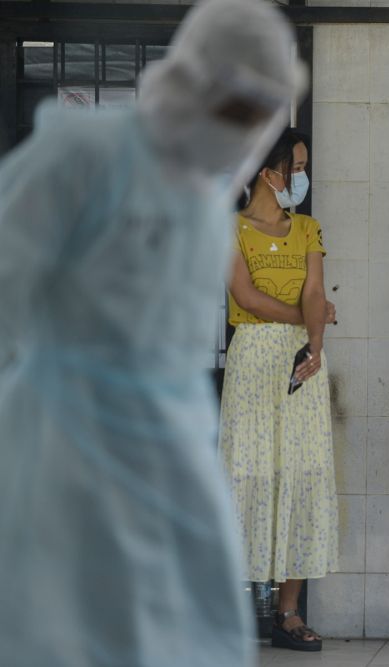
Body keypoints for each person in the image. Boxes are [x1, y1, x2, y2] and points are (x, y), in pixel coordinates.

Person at [0, 0, 306, 665]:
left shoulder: (203, 209)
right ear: (194, 81)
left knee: (198, 627)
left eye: (258, 115)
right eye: (235, 105)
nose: (242, 130)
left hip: (163, 439)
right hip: (59, 429)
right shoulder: (84, 152)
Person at [219, 129, 338, 652]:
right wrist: (307, 319)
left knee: (303, 473)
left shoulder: (308, 228)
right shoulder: (229, 228)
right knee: (248, 474)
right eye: (297, 166)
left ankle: (287, 614)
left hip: (301, 364)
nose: (303, 176)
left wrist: (314, 343)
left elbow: (316, 290)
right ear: (269, 170)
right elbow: (244, 295)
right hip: (252, 361)